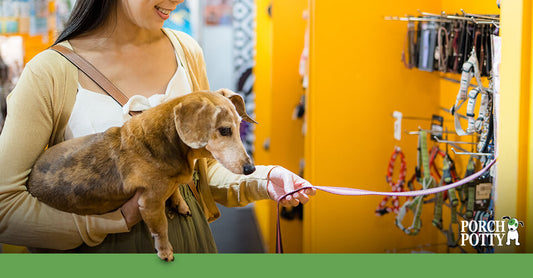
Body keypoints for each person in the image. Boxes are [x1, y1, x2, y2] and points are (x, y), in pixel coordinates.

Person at [0, 0, 315, 253]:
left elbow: (196, 173)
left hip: (192, 246)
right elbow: (5, 206)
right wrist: (112, 222)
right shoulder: (49, 73)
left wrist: (265, 179)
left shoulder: (186, 51)